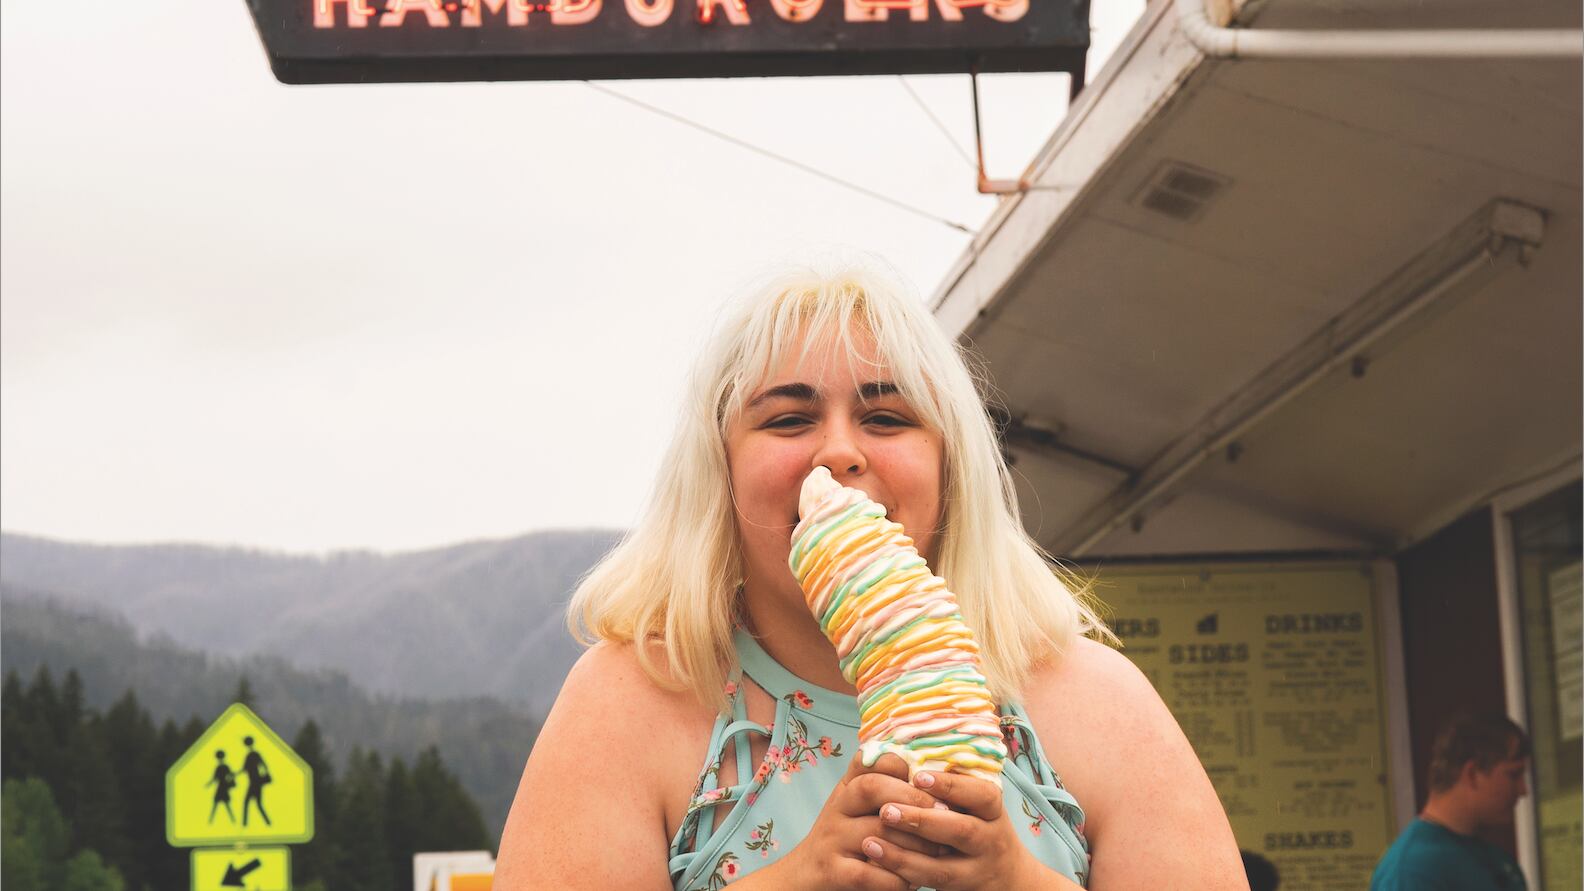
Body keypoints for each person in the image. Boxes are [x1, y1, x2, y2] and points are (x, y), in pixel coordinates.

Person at [495, 262, 1244, 889]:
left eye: (887, 418)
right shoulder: (633, 700)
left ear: (949, 469)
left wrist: (1017, 880)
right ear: (720, 472)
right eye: (788, 420)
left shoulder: (1096, 702)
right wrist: (798, 878)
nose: (838, 452)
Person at [1370, 713, 1531, 891]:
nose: (1523, 790)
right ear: (1472, 774)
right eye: (1513, 775)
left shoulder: (1500, 864)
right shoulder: (1413, 871)